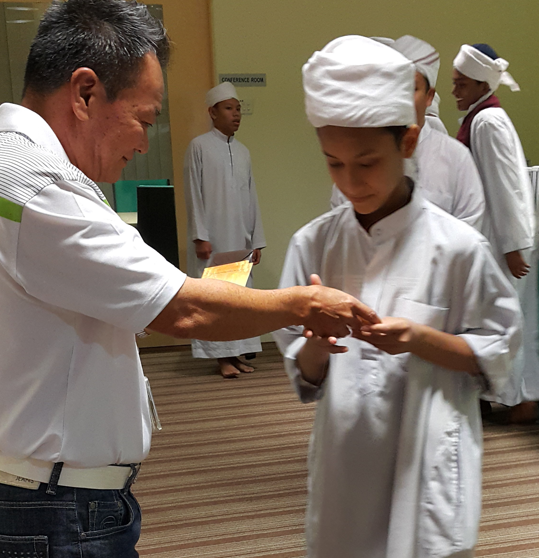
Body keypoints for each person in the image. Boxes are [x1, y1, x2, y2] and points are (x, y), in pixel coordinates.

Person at [0, 3, 378, 557]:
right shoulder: (36, 186)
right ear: (85, 94)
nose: (143, 143)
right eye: (144, 119)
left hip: (50, 489)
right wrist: (306, 303)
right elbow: (184, 308)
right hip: (54, 506)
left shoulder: (16, 161)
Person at [274, 35, 522, 558]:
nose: (350, 182)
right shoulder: (313, 245)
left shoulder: (459, 249)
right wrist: (317, 342)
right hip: (345, 462)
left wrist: (419, 339)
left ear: (407, 142)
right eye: (334, 164)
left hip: (425, 460)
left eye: (366, 163)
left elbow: (499, 351)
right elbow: (306, 375)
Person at [452, 43, 539, 422]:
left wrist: (512, 246)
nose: (455, 91)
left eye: (461, 84)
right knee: (502, 318)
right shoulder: (482, 118)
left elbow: (505, 186)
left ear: (481, 85)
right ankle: (511, 396)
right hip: (501, 237)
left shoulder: (486, 122)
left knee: (503, 320)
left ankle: (515, 399)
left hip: (504, 241)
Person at [332, 35, 486, 233]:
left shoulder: (456, 158)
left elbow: (470, 232)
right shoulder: (355, 158)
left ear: (429, 96)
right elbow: (342, 226)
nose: (400, 98)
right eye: (392, 88)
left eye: (410, 89)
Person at [184, 82, 266, 378]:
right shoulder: (199, 146)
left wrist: (256, 240)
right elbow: (193, 193)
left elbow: (251, 196)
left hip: (240, 238)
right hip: (213, 240)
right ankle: (222, 358)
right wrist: (200, 236)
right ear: (212, 112)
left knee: (239, 300)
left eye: (238, 109)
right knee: (216, 299)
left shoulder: (243, 152)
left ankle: (236, 353)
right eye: (229, 108)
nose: (236, 114)